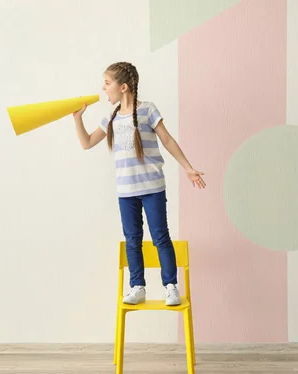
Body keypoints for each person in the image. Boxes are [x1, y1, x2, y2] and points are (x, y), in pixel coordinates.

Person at [73, 61, 206, 306]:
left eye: (107, 83)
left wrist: (187, 168)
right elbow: (87, 143)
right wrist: (77, 119)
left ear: (123, 87)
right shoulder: (110, 118)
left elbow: (167, 139)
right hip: (126, 192)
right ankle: (138, 286)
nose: (103, 88)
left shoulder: (147, 110)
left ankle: (170, 286)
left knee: (160, 238)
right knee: (132, 239)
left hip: (152, 188)